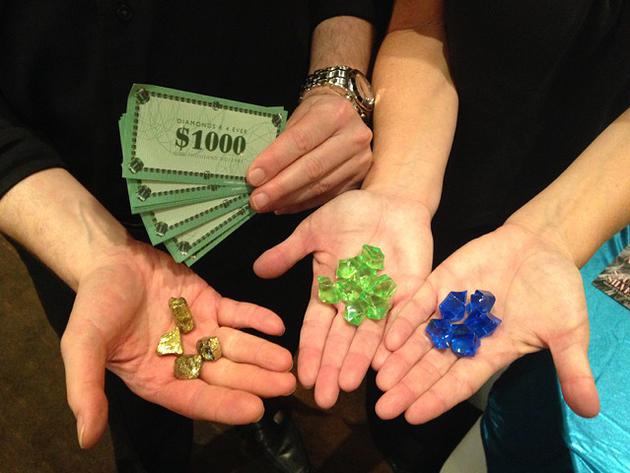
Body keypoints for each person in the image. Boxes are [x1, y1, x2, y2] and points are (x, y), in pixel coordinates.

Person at [0, 1, 386, 472]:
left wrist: (336, 81)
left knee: (266, 326)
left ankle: (267, 414)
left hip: (269, 165)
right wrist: (97, 255)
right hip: (64, 201)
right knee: (130, 379)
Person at [253, 0, 630, 470]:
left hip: (580, 195)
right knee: (397, 390)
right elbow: (422, 24)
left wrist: (555, 232)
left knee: (449, 402)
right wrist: (398, 186)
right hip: (437, 166)